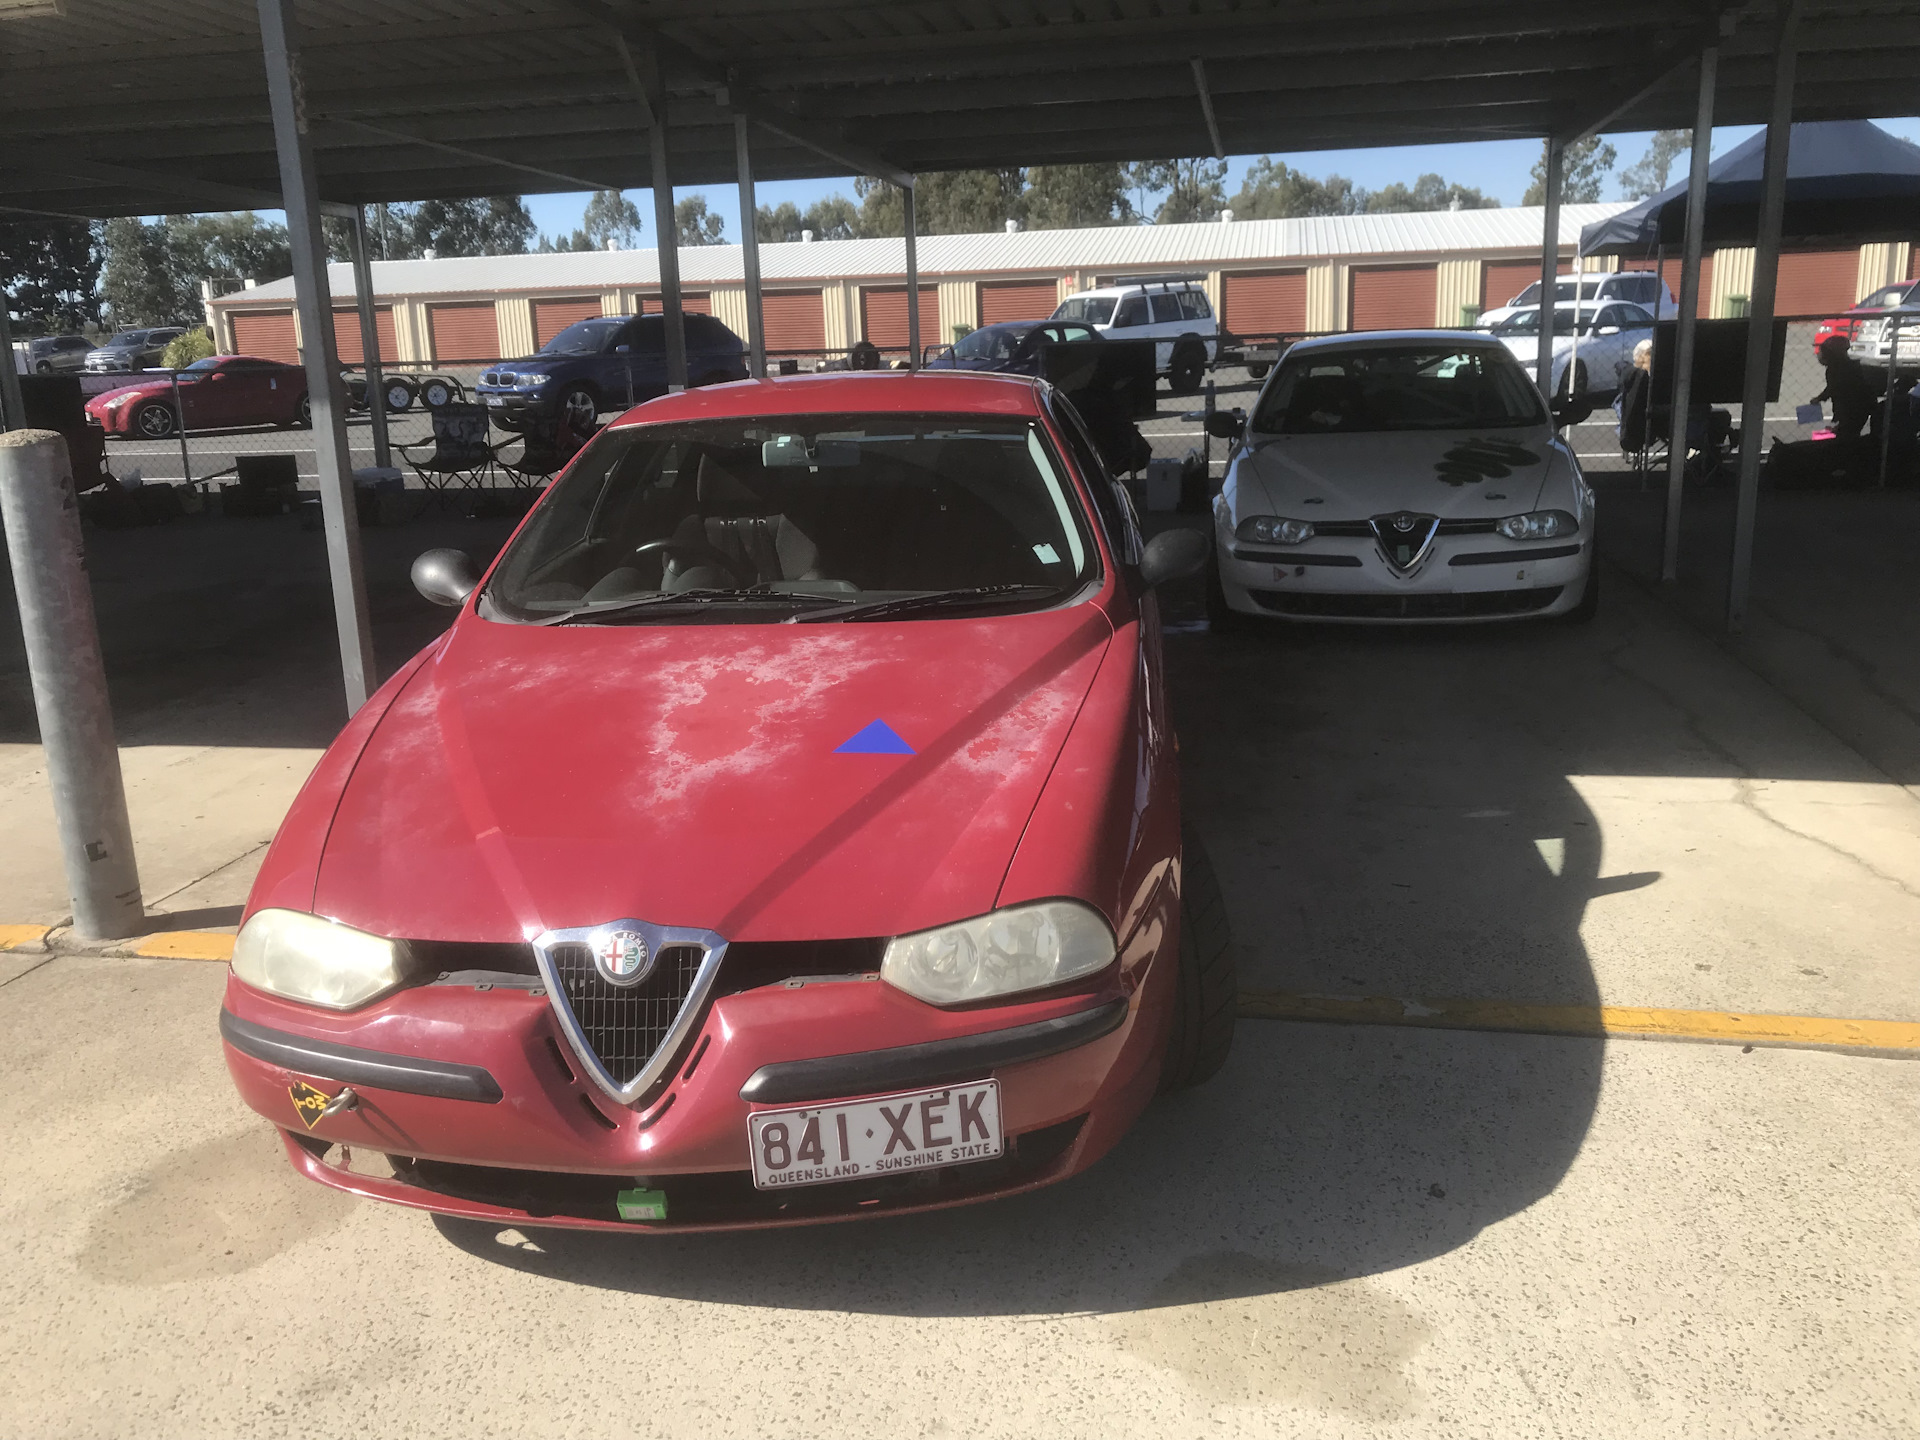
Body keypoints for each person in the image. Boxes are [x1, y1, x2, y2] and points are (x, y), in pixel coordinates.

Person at [1811, 334, 1875, 441]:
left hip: (1854, 409)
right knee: (1848, 434)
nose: (1821, 355)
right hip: (1857, 409)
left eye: (1824, 352)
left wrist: (1819, 398)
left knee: (1846, 438)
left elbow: (1834, 388)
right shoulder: (1848, 367)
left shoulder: (1836, 369)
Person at [1615, 338, 1653, 454]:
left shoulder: (1634, 375)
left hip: (1643, 419)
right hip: (1654, 416)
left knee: (1618, 402)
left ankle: (1621, 428)